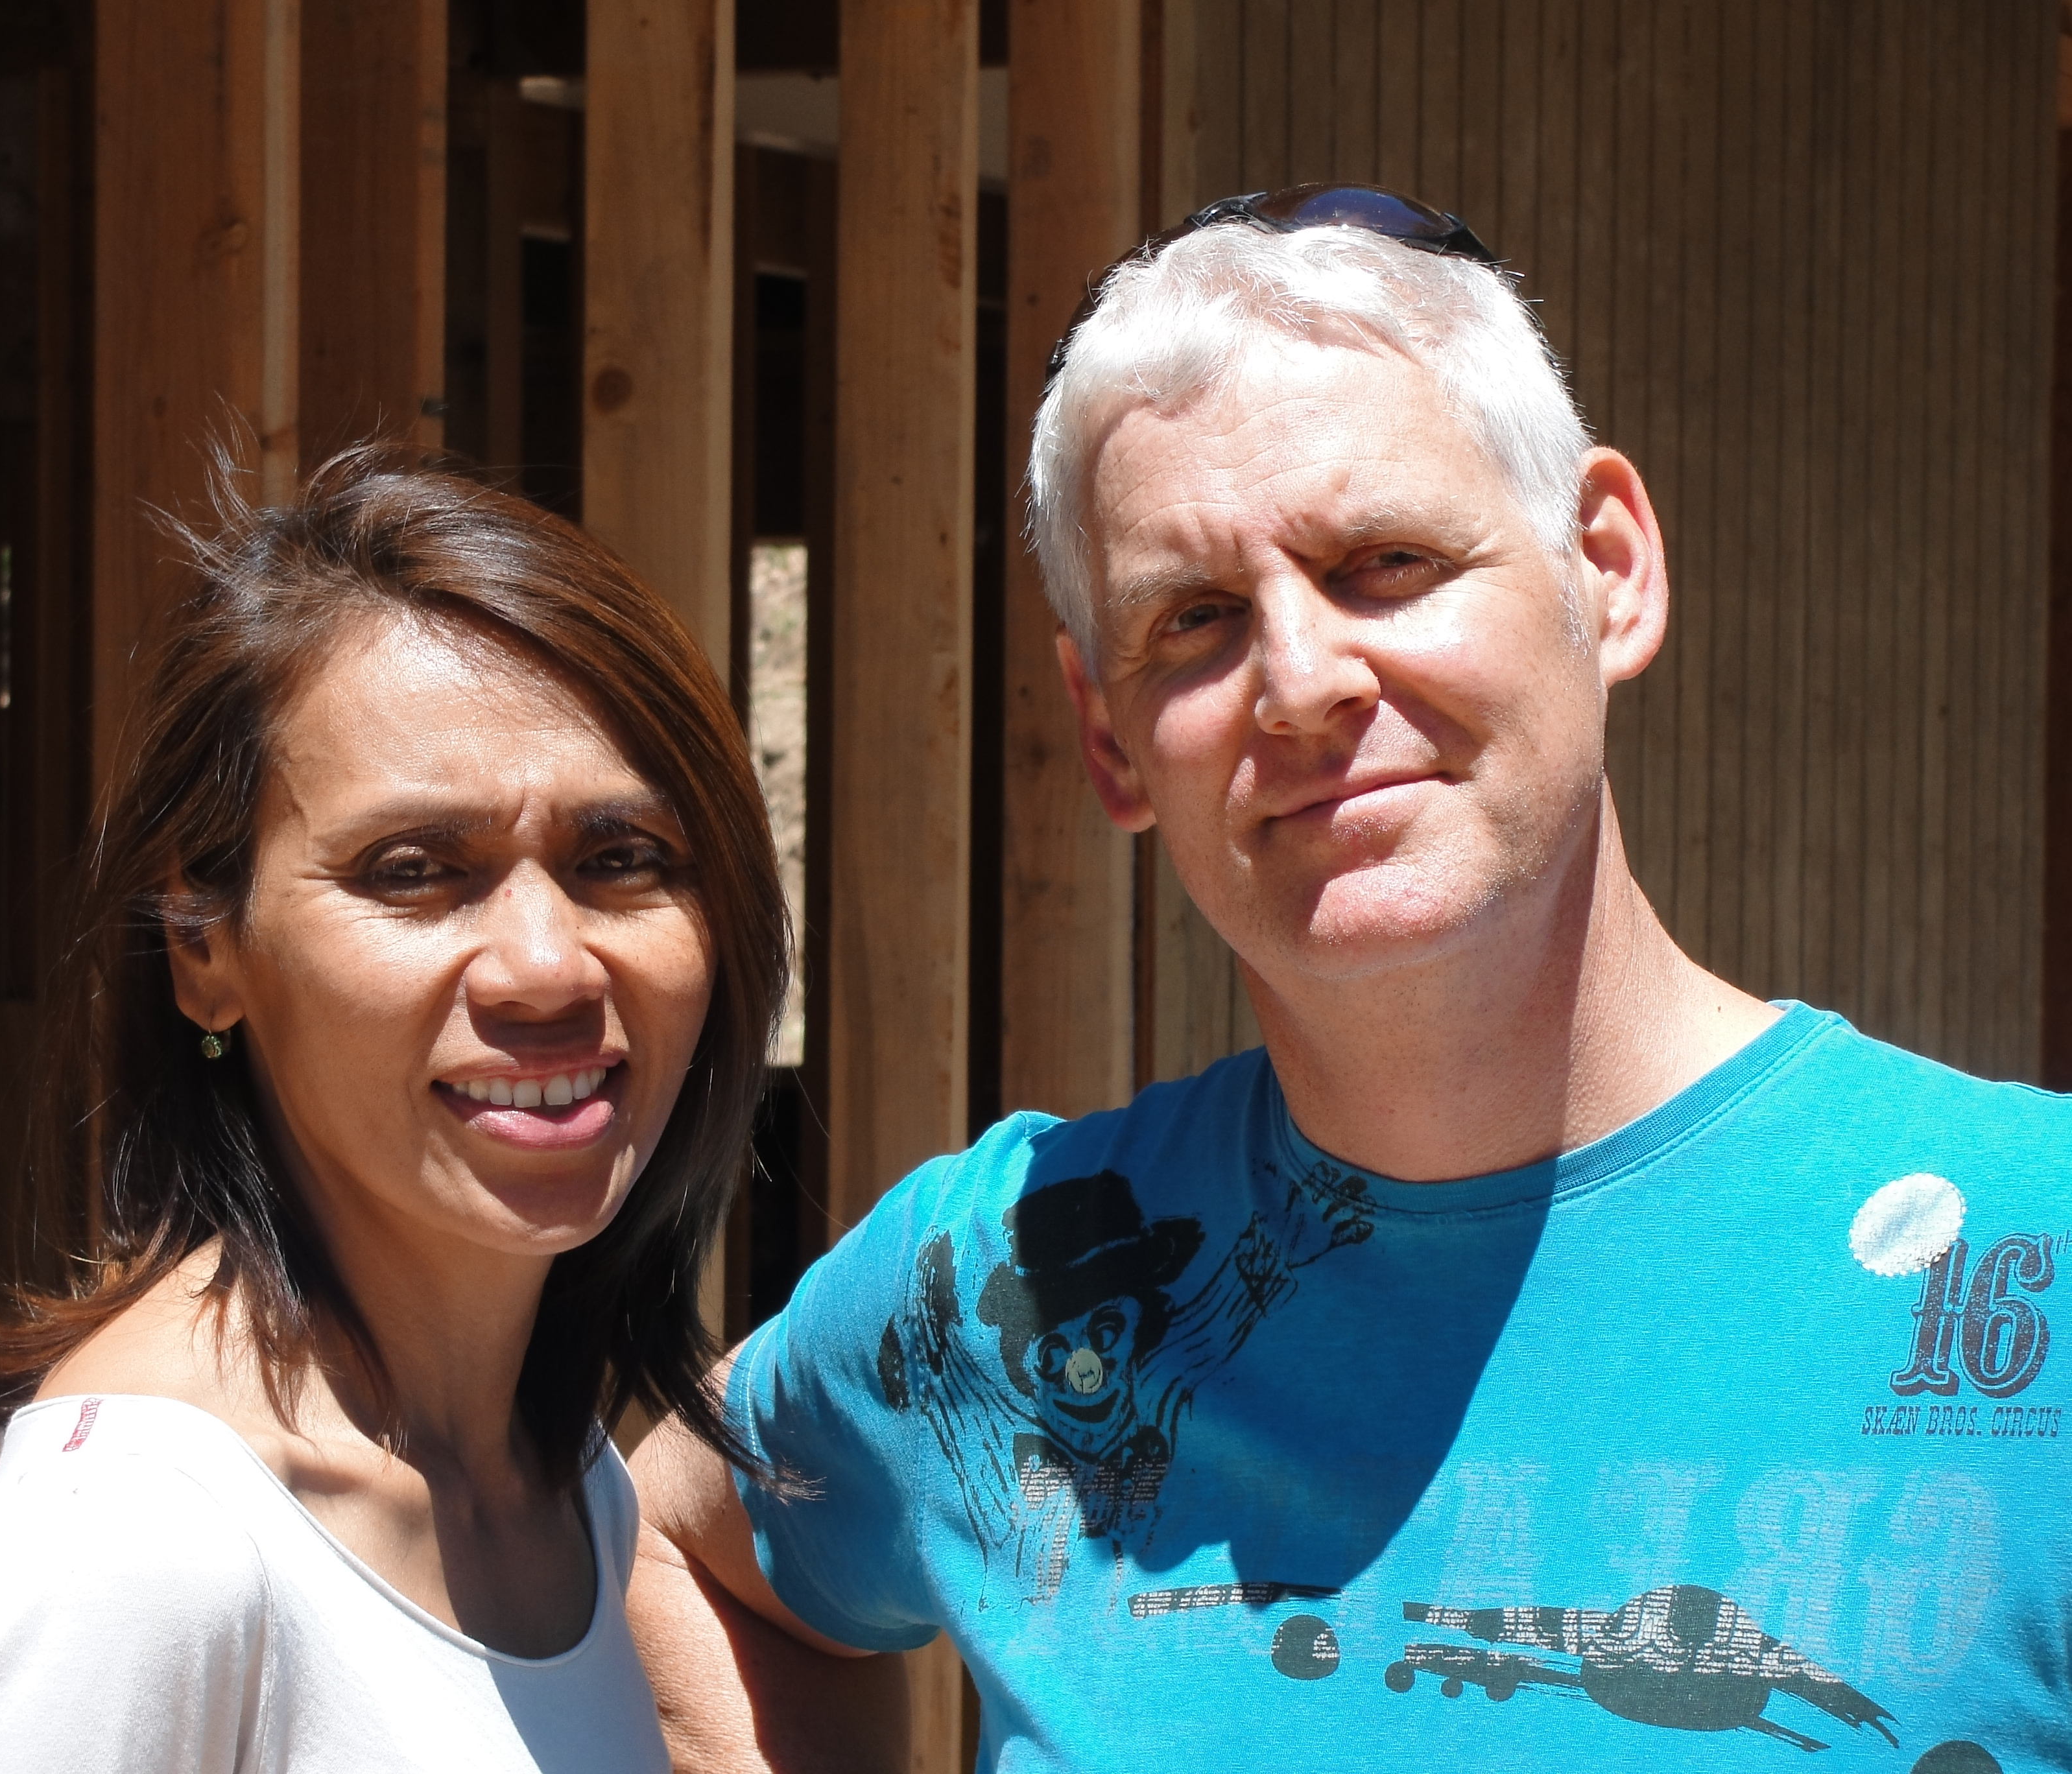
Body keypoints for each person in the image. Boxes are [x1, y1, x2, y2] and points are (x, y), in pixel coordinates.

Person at [627, 187, 2072, 1772]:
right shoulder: (1009, 1287)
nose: (1303, 684)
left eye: (1386, 561)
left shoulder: (2033, 1260)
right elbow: (670, 1555)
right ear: (1108, 740)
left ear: (1608, 569)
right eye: (1194, 621)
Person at [0, 452, 787, 1770]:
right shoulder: (146, 1537)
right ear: (204, 952)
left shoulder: (560, 1483)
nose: (547, 964)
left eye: (620, 860)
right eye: (415, 872)